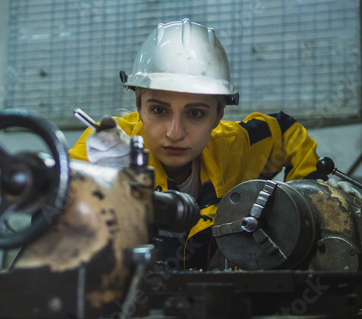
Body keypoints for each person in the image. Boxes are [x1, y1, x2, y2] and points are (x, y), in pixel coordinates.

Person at [68, 19, 327, 270]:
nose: (174, 133)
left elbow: (285, 132)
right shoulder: (108, 148)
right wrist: (103, 185)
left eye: (195, 113)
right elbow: (51, 201)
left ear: (218, 114)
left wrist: (311, 205)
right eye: (159, 110)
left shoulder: (231, 146)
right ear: (138, 107)